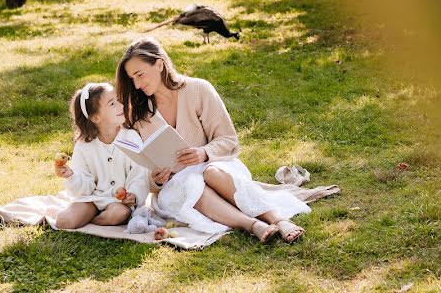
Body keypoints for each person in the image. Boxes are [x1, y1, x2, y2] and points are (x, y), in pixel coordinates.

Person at [116, 37, 308, 243]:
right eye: (132, 79)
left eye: (139, 75)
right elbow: (146, 174)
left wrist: (204, 153)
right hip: (175, 186)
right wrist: (157, 180)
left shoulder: (198, 89)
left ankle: (278, 220)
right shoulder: (139, 114)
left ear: (160, 64)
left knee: (211, 173)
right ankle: (253, 225)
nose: (136, 84)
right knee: (190, 184)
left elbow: (229, 139)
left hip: (215, 165)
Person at [54, 82, 150, 229]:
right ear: (95, 117)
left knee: (119, 214)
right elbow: (84, 183)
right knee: (64, 221)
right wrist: (71, 175)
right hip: (92, 199)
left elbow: (139, 174)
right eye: (112, 104)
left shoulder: (131, 137)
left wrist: (134, 196)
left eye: (118, 100)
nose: (121, 105)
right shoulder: (84, 145)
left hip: (120, 202)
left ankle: (94, 221)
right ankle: (91, 214)